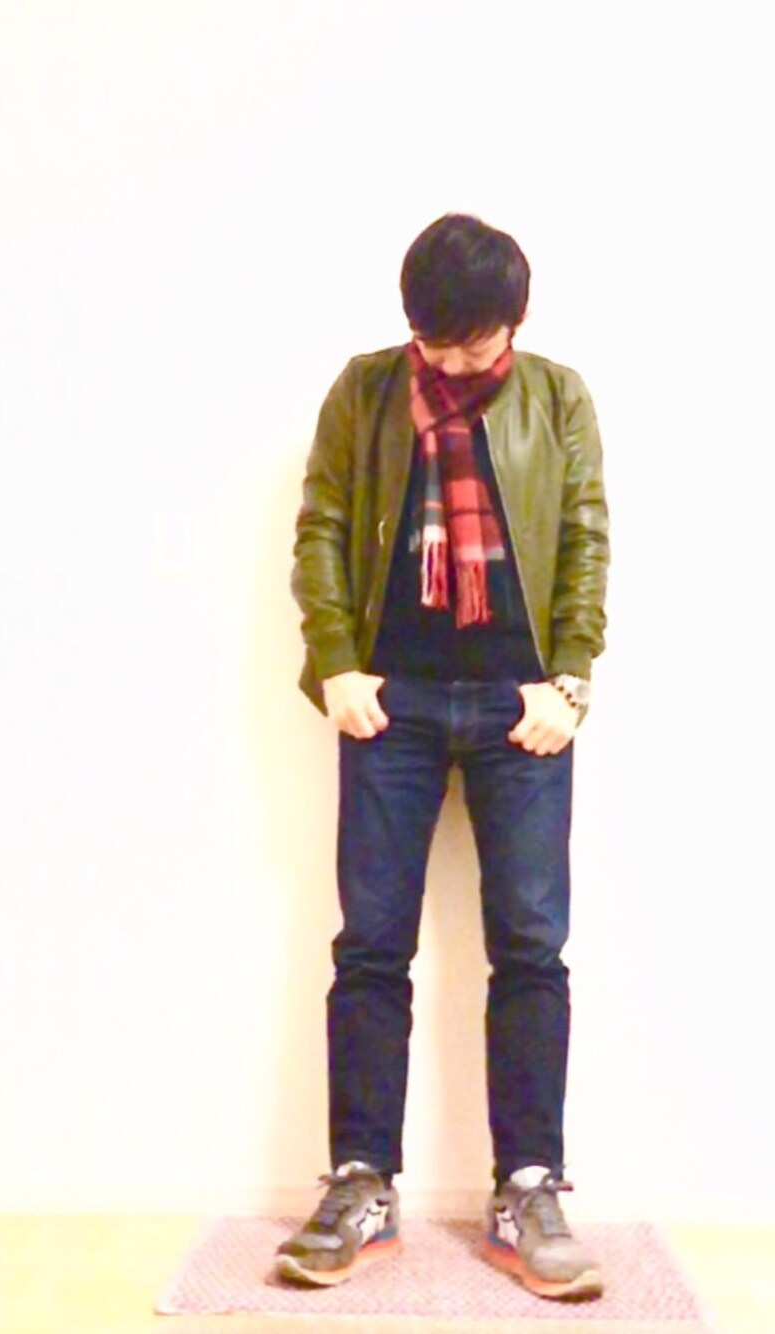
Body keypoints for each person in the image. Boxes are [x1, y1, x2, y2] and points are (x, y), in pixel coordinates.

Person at [278, 214, 609, 1301]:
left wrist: (571, 679)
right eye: (436, 340)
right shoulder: (366, 389)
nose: (453, 361)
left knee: (531, 947)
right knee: (371, 946)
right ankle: (361, 1182)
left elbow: (585, 539)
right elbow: (323, 525)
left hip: (522, 704)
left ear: (513, 321)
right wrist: (336, 663)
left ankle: (528, 1187)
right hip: (393, 700)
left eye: (474, 341)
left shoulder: (556, 395)